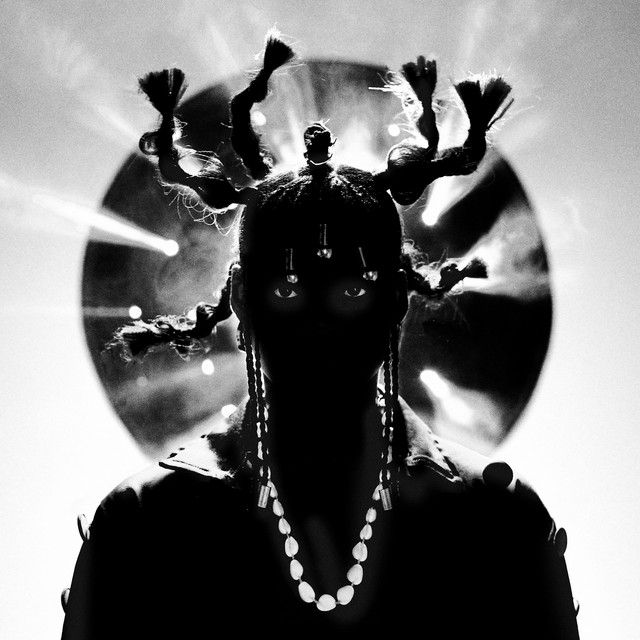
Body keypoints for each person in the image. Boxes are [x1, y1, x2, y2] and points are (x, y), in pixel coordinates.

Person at [61, 33, 580, 638]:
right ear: (242, 302)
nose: (318, 325)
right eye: (286, 292)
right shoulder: (144, 528)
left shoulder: (498, 525)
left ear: (396, 302)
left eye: (352, 292)